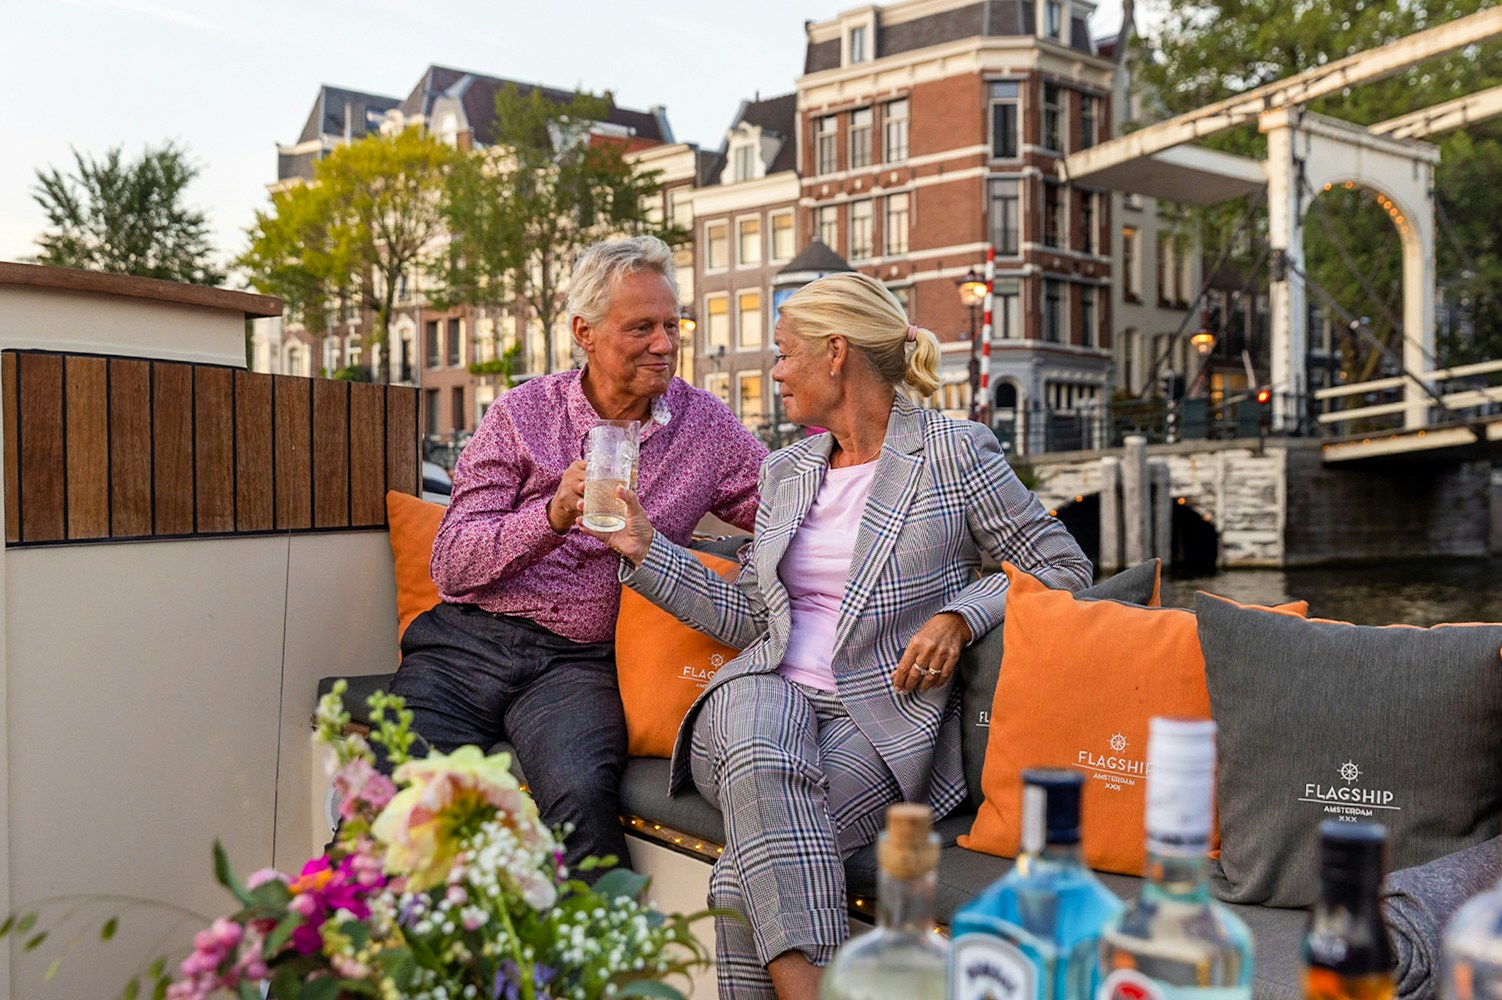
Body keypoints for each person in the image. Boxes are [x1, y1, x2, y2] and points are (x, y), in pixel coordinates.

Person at [590, 271, 1093, 999]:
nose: (776, 372)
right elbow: (754, 619)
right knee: (766, 723)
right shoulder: (787, 470)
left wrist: (962, 614)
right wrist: (644, 547)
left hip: (877, 720)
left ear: (835, 353)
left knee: (744, 877)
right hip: (757, 701)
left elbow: (1063, 564)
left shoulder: (954, 453)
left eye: (784, 352)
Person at [388, 235, 767, 878]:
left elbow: (789, 505)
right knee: (396, 799)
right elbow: (451, 562)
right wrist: (552, 517)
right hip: (469, 644)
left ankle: (587, 969)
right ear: (583, 333)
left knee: (584, 804)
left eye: (672, 326)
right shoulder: (519, 413)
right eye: (641, 327)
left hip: (582, 662)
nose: (665, 344)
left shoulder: (704, 426)